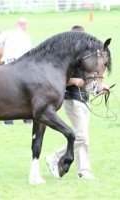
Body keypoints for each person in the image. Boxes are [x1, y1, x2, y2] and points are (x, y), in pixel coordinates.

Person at [46, 25, 109, 179]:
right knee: (81, 136)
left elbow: (88, 83)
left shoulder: (84, 60)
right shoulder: (66, 60)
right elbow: (55, 80)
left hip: (84, 99)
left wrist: (99, 89)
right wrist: (73, 80)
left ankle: (84, 170)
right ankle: (54, 158)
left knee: (83, 136)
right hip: (72, 100)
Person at [0, 17, 33, 125]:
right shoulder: (27, 37)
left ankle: (8, 120)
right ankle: (27, 119)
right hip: (23, 67)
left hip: (8, 66)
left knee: (6, 94)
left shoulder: (7, 33)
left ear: (16, 24)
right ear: (24, 26)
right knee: (24, 94)